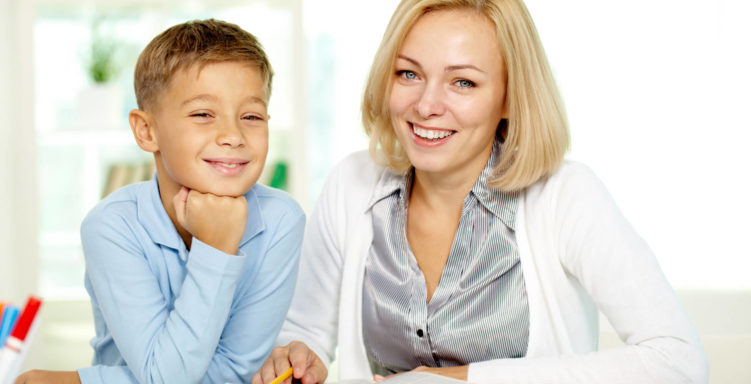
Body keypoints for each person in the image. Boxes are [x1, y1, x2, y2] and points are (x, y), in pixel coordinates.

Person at [253, 0, 708, 383]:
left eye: (463, 82)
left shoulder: (566, 196)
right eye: (408, 74)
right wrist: (295, 357)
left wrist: (459, 379)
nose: (427, 105)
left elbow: (678, 360)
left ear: (510, 97)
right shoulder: (350, 185)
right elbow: (304, 333)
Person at [16, 19, 305, 384]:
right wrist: (217, 247)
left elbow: (234, 372)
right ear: (146, 130)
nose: (233, 135)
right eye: (203, 114)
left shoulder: (282, 220)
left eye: (251, 116)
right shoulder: (111, 226)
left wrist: (83, 380)